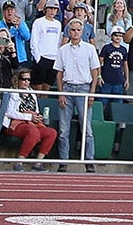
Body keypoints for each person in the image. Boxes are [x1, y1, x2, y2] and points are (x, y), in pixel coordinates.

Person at [54, 17, 99, 173]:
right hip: (67, 88)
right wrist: (61, 93)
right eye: (72, 30)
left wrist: (92, 93)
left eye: (78, 30)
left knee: (86, 127)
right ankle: (63, 161)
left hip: (83, 89)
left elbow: (95, 72)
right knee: (63, 128)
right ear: (69, 31)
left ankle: (89, 160)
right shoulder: (62, 50)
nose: (75, 32)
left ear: (82, 31)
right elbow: (59, 74)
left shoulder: (89, 49)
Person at [2, 68, 56, 171]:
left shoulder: (31, 92)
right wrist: (28, 117)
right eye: (24, 79)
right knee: (33, 132)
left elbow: (35, 110)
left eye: (29, 80)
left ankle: (38, 163)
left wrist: (38, 117)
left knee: (51, 132)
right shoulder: (11, 91)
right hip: (15, 123)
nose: (27, 82)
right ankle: (19, 162)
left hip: (32, 122)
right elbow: (9, 112)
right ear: (17, 79)